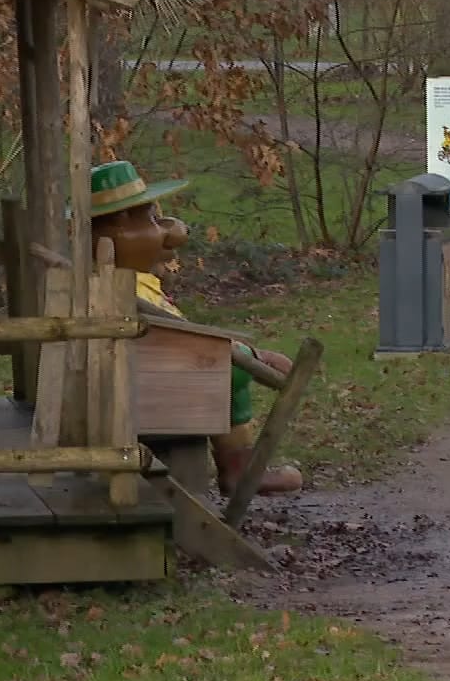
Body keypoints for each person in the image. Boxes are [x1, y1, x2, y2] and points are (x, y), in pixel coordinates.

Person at [84, 159, 307, 496]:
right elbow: (171, 336)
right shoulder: (118, 287)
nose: (167, 231)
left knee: (220, 363)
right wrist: (251, 356)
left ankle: (238, 462)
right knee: (226, 370)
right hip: (144, 389)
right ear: (117, 230)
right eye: (152, 220)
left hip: (133, 376)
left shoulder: (118, 277)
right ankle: (237, 467)